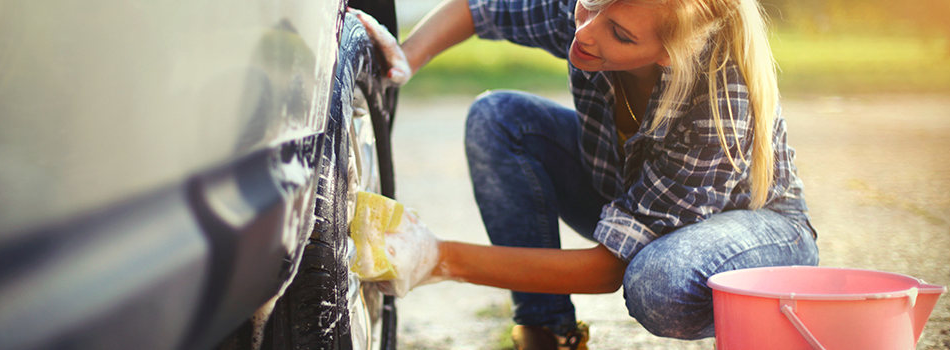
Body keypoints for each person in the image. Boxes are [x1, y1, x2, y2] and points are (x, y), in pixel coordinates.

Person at [351, 0, 820, 347]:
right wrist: (406, 56)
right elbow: (482, 9)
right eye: (589, 6)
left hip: (760, 231)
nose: (586, 33)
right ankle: (546, 334)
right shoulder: (602, 13)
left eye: (619, 34)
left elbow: (607, 269)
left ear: (668, 54)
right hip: (635, 194)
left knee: (656, 282)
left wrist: (439, 258)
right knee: (498, 118)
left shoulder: (719, 103)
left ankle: (764, 318)